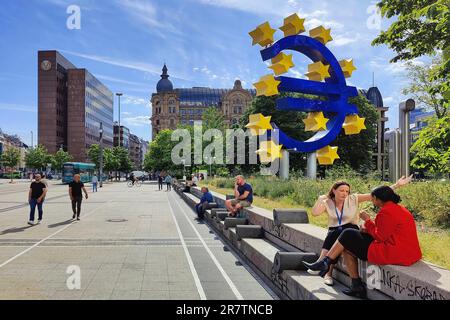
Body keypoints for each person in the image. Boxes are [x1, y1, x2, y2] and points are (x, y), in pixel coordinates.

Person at [304, 185, 422, 299]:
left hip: (393, 252)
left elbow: (380, 236)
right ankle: (353, 284)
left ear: (377, 199)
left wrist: (367, 220)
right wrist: (367, 229)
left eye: (372, 198)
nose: (372, 201)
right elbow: (386, 230)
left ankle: (326, 263)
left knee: (348, 233)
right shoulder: (399, 209)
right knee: (347, 243)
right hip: (405, 249)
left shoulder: (386, 212)